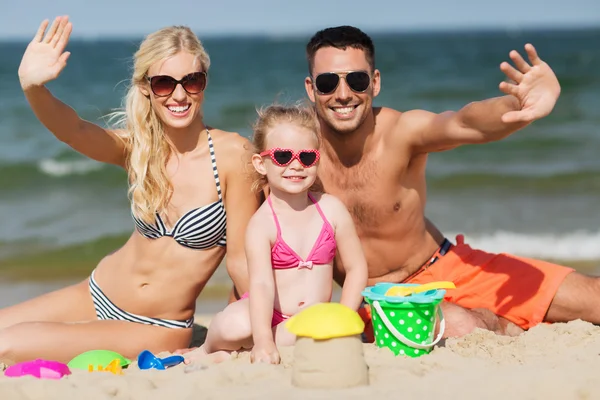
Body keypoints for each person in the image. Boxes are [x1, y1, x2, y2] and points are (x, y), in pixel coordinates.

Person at [303, 25, 597, 341]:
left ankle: (502, 320)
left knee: (593, 297)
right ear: (311, 88)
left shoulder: (402, 131)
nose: (343, 94)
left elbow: (464, 122)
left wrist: (521, 106)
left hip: (452, 265)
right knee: (461, 326)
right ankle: (496, 322)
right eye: (328, 82)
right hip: (383, 298)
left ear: (374, 83)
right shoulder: (296, 155)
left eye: (357, 80)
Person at [0, 16, 259, 364]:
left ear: (204, 84)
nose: (179, 95)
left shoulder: (233, 156)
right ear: (145, 88)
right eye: (165, 83)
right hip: (96, 293)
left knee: (8, 345)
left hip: (156, 326)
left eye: (192, 81)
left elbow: (243, 262)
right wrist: (33, 88)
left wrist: (237, 332)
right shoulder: (142, 149)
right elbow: (73, 130)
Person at [183, 104, 368, 365]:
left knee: (313, 332)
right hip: (269, 315)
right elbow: (260, 285)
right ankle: (207, 350)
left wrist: (345, 318)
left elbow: (356, 267)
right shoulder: (262, 225)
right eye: (282, 156)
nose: (295, 166)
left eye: (306, 157)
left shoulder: (332, 210)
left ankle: (242, 352)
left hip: (311, 316)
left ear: (317, 159)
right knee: (233, 326)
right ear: (261, 163)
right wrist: (263, 341)